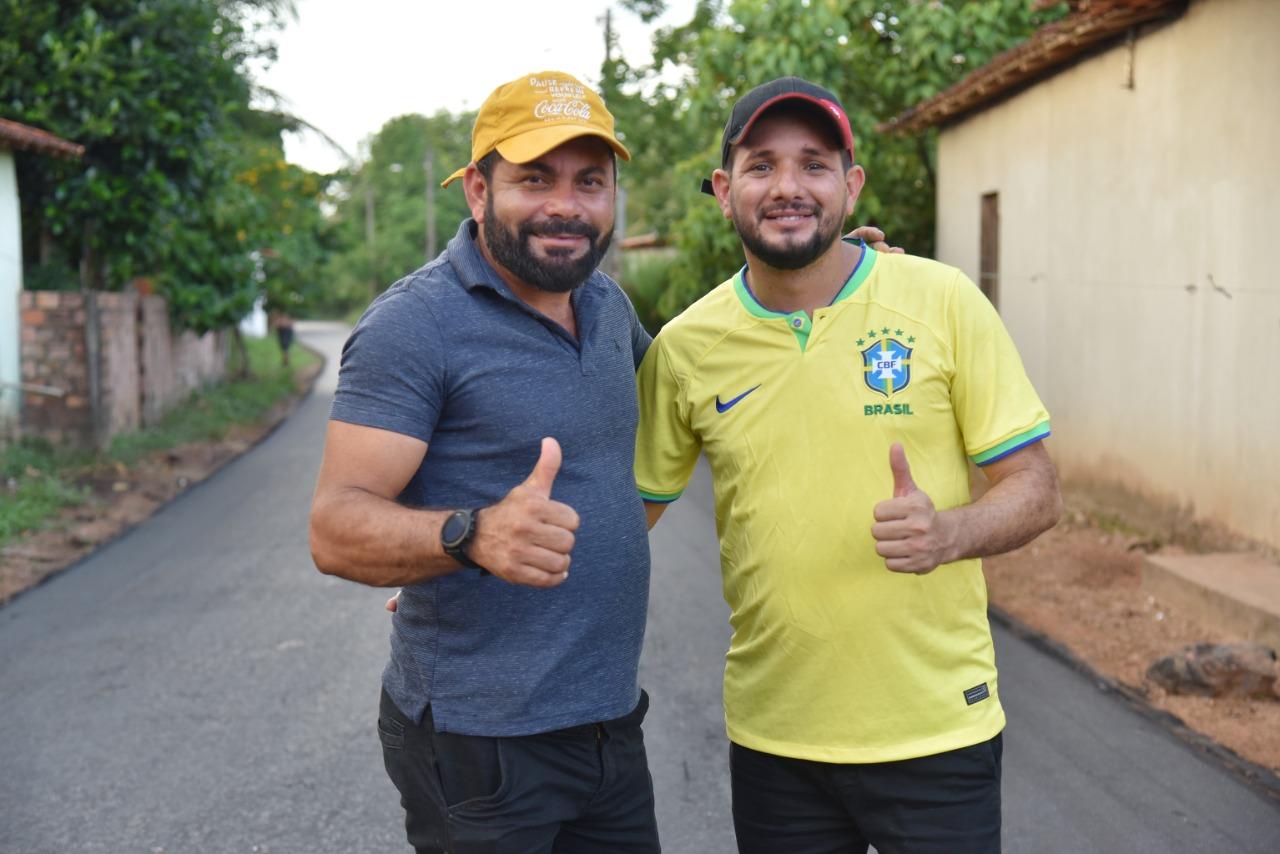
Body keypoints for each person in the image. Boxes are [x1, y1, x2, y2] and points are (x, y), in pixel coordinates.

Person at [634, 77, 1063, 854]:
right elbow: (628, 515)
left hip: (937, 732)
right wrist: (480, 563)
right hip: (776, 741)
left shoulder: (943, 301)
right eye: (762, 166)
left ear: (850, 183)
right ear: (726, 191)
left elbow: (1035, 487)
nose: (789, 187)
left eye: (815, 164)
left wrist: (951, 531)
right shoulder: (686, 348)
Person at [309, 71, 661, 853]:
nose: (567, 205)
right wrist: (467, 537)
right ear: (477, 189)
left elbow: (701, 380)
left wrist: (828, 283)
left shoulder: (607, 307)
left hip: (609, 726)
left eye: (590, 182)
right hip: (480, 745)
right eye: (535, 179)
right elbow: (334, 528)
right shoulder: (415, 325)